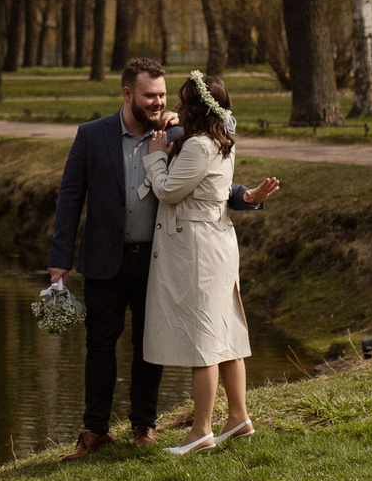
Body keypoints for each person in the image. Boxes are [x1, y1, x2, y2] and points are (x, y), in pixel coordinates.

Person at [49, 59, 279, 459]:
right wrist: (59, 260)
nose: (158, 102)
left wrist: (247, 198)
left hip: (159, 259)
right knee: (100, 346)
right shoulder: (92, 136)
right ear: (127, 94)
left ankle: (144, 427)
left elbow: (212, 182)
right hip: (105, 258)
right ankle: (94, 431)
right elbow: (70, 197)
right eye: (149, 95)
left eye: (161, 95)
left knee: (147, 345)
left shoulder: (179, 133)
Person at [144, 71, 269, 455]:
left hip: (197, 247)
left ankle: (200, 430)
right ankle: (238, 417)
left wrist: (154, 158)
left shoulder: (199, 146)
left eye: (183, 101)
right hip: (216, 242)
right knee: (226, 333)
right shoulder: (219, 140)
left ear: (198, 107)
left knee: (203, 339)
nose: (176, 106)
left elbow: (168, 190)